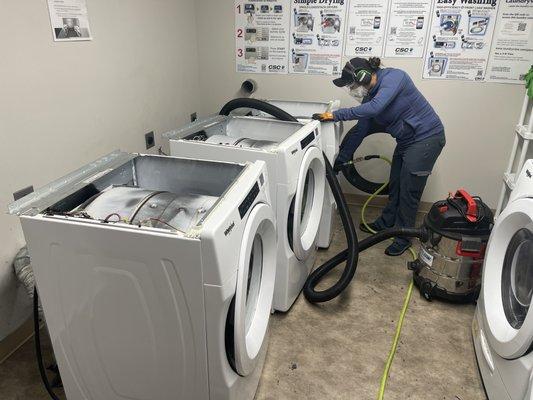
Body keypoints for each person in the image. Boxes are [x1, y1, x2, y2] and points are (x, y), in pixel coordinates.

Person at [313, 57, 445, 256]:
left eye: (352, 84)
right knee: (396, 184)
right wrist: (341, 158)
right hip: (407, 141)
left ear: (363, 76)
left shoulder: (394, 78)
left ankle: (404, 237)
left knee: (409, 191)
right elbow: (360, 130)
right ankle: (387, 222)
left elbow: (375, 109)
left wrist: (336, 115)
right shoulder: (371, 98)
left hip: (427, 138)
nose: (352, 89)